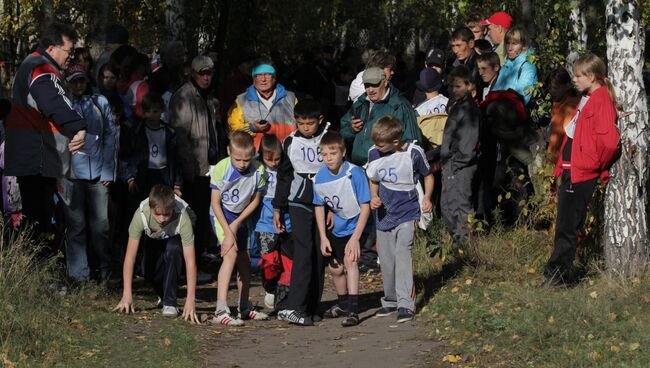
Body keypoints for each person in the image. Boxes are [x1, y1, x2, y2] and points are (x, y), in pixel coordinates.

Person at [5, 22, 87, 239]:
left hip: (35, 158)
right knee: (38, 224)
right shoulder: (40, 68)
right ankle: (34, 269)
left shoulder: (35, 64)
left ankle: (34, 266)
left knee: (40, 221)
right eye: (69, 51)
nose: (71, 56)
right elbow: (52, 100)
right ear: (52, 48)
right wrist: (77, 126)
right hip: (35, 158)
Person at [544, 54, 620, 286]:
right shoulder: (587, 97)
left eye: (578, 76)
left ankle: (558, 277)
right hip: (571, 168)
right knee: (565, 224)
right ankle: (558, 273)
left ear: (592, 76)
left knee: (568, 227)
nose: (574, 80)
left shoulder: (601, 100)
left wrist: (593, 164)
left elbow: (609, 143)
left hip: (582, 171)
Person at [366, 116, 433, 323]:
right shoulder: (373, 153)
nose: (377, 147)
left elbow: (428, 175)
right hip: (384, 214)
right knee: (386, 259)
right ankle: (391, 300)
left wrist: (428, 198)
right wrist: (374, 197)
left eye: (381, 144)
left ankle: (406, 304)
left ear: (395, 141)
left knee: (403, 254)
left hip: (407, 212)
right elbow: (373, 177)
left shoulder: (413, 152)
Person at [273, 99, 330, 326]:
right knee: (303, 252)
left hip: (324, 201)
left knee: (319, 253)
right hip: (298, 202)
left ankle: (313, 306)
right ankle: (296, 306)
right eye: (301, 123)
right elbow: (284, 175)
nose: (306, 127)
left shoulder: (328, 137)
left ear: (319, 121)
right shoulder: (290, 142)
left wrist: (335, 208)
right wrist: (278, 207)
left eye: (310, 123)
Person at [61, 63, 118, 282]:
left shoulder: (99, 102)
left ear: (87, 80)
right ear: (68, 82)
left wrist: (107, 172)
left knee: (101, 225)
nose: (78, 85)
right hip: (71, 175)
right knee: (75, 226)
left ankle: (103, 270)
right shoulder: (63, 103)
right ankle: (79, 275)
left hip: (97, 177)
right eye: (73, 81)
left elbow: (111, 137)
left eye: (81, 80)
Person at [113, 184, 200, 323]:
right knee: (147, 270)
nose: (162, 219)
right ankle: (164, 296)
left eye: (166, 214)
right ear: (151, 208)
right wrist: (127, 294)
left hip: (175, 238)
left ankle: (170, 303)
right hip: (153, 237)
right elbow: (130, 258)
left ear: (172, 209)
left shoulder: (183, 217)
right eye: (157, 214)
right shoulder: (140, 215)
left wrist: (190, 300)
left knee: (173, 250)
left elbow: (190, 262)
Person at [210, 131, 269, 326]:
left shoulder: (259, 170)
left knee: (245, 260)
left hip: (241, 216)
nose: (243, 164)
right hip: (221, 214)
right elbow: (215, 203)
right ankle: (220, 309)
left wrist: (237, 223)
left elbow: (256, 200)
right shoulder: (221, 168)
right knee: (230, 254)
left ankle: (244, 306)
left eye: (247, 159)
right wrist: (228, 231)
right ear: (229, 151)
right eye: (238, 159)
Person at [169, 55, 221, 272]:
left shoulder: (208, 97)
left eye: (209, 72)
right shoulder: (183, 96)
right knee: (191, 219)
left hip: (210, 167)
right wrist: (188, 167)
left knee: (202, 219)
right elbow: (179, 137)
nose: (206, 77)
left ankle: (198, 262)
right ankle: (187, 267)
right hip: (193, 170)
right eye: (202, 73)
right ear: (192, 73)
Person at [313, 132, 371, 327]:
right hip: (337, 227)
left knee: (350, 260)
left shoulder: (354, 173)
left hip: (357, 225)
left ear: (343, 152)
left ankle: (354, 310)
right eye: (324, 154)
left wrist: (355, 238)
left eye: (333, 153)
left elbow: (365, 206)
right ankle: (343, 303)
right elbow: (319, 206)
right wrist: (323, 236)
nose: (328, 158)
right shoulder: (320, 177)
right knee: (335, 268)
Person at [440, 66, 480, 249]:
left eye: (458, 86)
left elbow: (468, 141)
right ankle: (458, 241)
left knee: (460, 205)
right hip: (451, 161)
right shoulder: (456, 106)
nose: (453, 90)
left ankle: (465, 245)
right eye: (450, 86)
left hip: (461, 164)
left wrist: (456, 162)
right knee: (447, 205)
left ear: (469, 85)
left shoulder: (469, 110)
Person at [254, 134, 293, 310]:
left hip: (285, 218)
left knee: (286, 259)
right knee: (270, 260)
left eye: (277, 159)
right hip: (264, 221)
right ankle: (270, 288)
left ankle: (284, 295)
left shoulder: (285, 168)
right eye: (269, 159)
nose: (274, 163)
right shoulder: (256, 168)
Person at [227, 62, 297, 149]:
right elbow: (232, 131)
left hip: (287, 155)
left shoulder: (291, 98)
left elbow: (302, 124)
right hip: (255, 157)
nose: (263, 79)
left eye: (268, 74)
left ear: (274, 78)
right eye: (258, 75)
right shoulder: (241, 101)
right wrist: (251, 128)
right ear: (253, 80)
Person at [127, 92, 182, 198]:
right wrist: (130, 178)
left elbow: (176, 159)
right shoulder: (137, 131)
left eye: (155, 111)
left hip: (164, 174)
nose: (151, 115)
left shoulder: (170, 132)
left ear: (162, 110)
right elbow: (129, 155)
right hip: (144, 175)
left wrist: (177, 184)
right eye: (148, 111)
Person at [491, 26, 538, 104]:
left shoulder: (528, 67)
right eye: (507, 43)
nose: (509, 48)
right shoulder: (507, 64)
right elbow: (495, 91)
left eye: (514, 44)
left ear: (524, 46)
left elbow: (519, 100)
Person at [546, 68, 580, 164]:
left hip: (565, 162)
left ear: (567, 86)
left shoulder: (571, 106)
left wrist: (549, 165)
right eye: (550, 88)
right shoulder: (556, 106)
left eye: (556, 88)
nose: (552, 91)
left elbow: (556, 141)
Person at [450, 27, 481, 92]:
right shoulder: (451, 64)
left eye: (459, 45)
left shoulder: (481, 65)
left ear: (471, 44)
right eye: (453, 46)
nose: (455, 51)